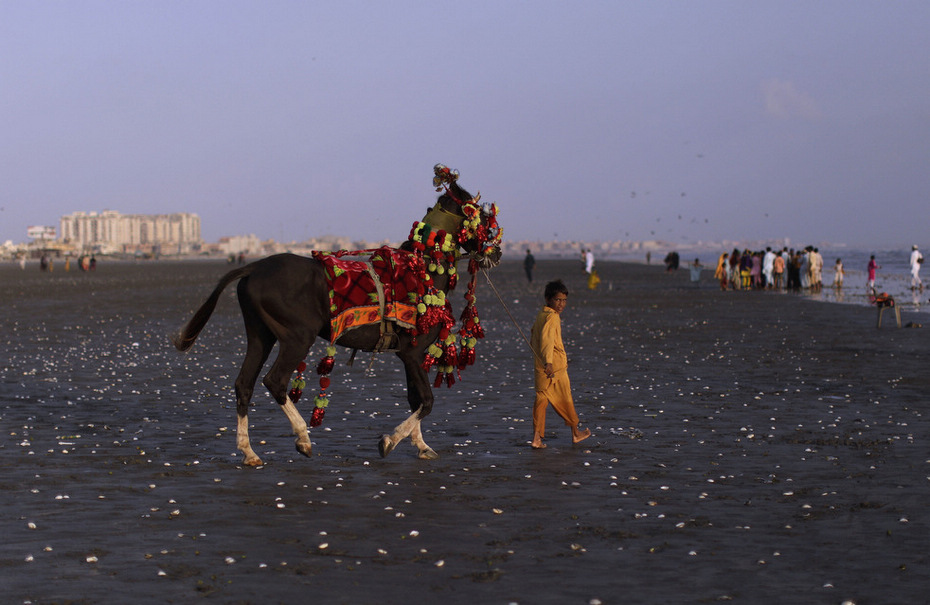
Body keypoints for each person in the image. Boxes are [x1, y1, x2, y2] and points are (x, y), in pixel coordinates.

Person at [530, 280, 591, 449]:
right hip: (554, 368)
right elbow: (547, 341)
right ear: (548, 299)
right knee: (566, 398)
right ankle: (575, 433)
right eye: (558, 300)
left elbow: (534, 334)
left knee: (541, 401)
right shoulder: (552, 317)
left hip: (540, 366)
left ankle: (537, 438)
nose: (561, 304)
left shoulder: (542, 314)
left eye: (564, 300)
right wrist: (548, 362)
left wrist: (541, 359)